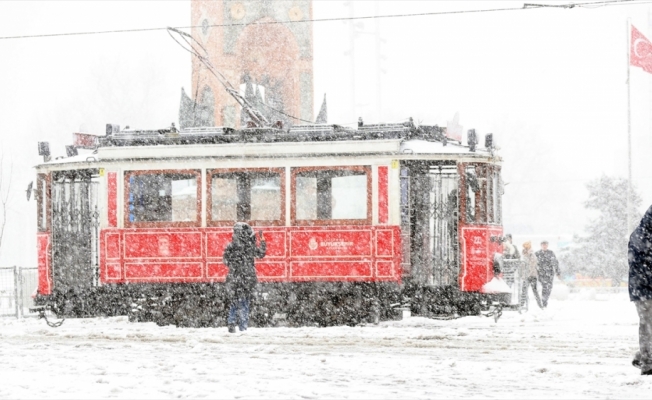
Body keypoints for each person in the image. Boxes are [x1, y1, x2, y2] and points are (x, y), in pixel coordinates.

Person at [223, 222, 266, 333]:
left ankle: (231, 322)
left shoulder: (230, 246)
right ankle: (243, 326)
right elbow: (261, 253)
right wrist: (262, 240)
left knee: (234, 301)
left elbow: (225, 261)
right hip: (247, 279)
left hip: (234, 278)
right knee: (245, 303)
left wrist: (234, 266)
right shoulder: (249, 246)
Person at [628, 204, 652, 375]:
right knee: (647, 325)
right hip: (644, 289)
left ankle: (642, 355)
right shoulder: (641, 236)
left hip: (642, 287)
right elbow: (640, 265)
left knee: (648, 325)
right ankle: (647, 362)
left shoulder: (640, 233)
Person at [535, 240, 561, 308]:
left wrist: (558, 272)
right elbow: (534, 264)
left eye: (545, 245)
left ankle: (545, 300)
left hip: (549, 273)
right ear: (541, 245)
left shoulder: (551, 253)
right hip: (541, 274)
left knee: (549, 288)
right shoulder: (537, 253)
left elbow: (555, 262)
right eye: (543, 245)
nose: (544, 246)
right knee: (544, 287)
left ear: (547, 245)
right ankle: (544, 301)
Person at [520, 241, 543, 309]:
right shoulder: (524, 255)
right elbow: (522, 266)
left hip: (532, 276)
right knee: (524, 291)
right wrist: (523, 275)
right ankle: (522, 304)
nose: (526, 249)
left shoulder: (532, 255)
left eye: (527, 247)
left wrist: (527, 274)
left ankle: (540, 305)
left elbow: (532, 265)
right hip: (526, 276)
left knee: (534, 291)